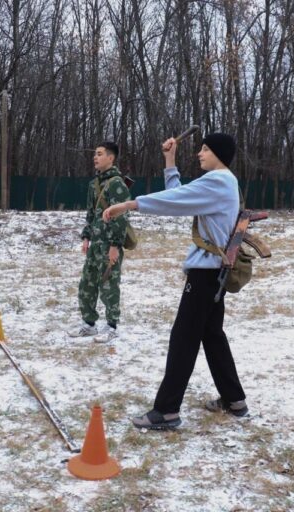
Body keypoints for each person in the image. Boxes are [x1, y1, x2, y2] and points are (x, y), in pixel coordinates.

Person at [103, 132, 249, 429]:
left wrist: (131, 205)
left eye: (206, 149)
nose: (199, 153)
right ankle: (235, 400)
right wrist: (170, 161)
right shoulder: (222, 182)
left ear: (219, 154)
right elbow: (181, 197)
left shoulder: (219, 181)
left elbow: (174, 200)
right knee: (212, 336)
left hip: (206, 273)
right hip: (213, 274)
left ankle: (167, 411)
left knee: (183, 339)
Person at [68, 141, 131, 343]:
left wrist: (114, 246)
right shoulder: (94, 184)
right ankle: (89, 324)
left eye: (100, 154)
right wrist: (86, 237)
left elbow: (121, 217)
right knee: (87, 284)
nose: (95, 157)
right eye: (95, 154)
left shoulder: (117, 184)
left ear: (111, 158)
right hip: (95, 244)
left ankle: (111, 326)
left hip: (109, 245)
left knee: (109, 286)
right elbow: (90, 214)